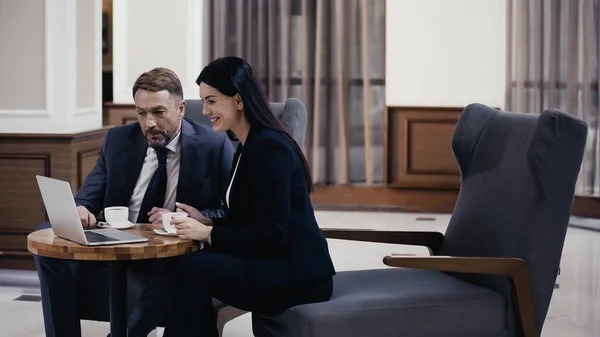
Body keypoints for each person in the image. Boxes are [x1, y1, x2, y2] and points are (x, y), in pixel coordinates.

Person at [33, 67, 235, 337]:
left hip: (170, 243)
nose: (149, 122)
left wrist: (195, 216)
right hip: (118, 235)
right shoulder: (118, 140)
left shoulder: (214, 144)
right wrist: (81, 209)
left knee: (176, 263)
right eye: (142, 113)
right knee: (48, 236)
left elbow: (230, 209)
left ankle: (130, 333)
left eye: (159, 112)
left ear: (181, 108)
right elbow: (88, 196)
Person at [157, 56, 336, 337]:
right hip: (275, 263)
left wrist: (206, 233)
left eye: (212, 101)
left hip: (299, 275)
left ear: (238, 100)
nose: (204, 110)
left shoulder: (270, 149)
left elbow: (271, 235)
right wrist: (207, 221)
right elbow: (250, 219)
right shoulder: (248, 145)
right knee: (187, 268)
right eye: (203, 101)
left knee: (191, 268)